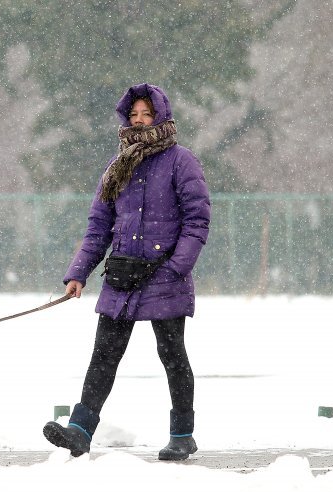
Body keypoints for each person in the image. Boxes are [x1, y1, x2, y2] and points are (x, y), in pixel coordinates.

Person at [43, 83, 211, 461]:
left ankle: (182, 435)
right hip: (121, 280)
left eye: (146, 115)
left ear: (161, 116)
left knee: (172, 356)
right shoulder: (118, 165)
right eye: (133, 115)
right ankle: (80, 431)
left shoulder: (181, 161)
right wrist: (79, 273)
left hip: (164, 278)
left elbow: (197, 221)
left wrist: (175, 267)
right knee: (103, 355)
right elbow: (98, 226)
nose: (138, 121)